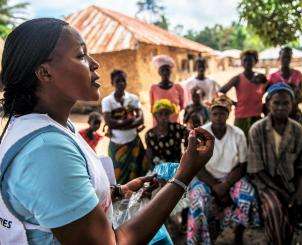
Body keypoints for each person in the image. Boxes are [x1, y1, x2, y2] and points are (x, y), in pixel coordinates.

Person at [0, 18, 215, 245]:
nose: (95, 64)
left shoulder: (55, 127)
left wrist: (118, 192)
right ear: (45, 73)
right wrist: (183, 175)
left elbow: (62, 202)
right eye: (81, 55)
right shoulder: (45, 151)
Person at [247, 83, 302, 245]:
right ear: (268, 104)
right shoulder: (257, 129)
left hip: (295, 183)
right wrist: (284, 194)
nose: (281, 107)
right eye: (276, 103)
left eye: (286, 103)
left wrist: (297, 192)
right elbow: (257, 169)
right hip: (267, 184)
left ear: (292, 105)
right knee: (275, 210)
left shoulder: (297, 129)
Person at [187, 95, 261, 245]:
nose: (219, 117)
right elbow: (195, 165)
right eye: (215, 113)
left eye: (223, 113)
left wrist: (225, 185)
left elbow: (242, 165)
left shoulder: (238, 134)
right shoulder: (200, 134)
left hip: (231, 178)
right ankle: (197, 239)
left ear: (228, 115)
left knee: (248, 196)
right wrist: (215, 186)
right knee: (197, 200)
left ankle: (238, 233)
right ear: (210, 114)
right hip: (206, 178)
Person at [102, 69, 147, 184]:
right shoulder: (107, 101)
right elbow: (109, 122)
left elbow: (141, 119)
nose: (121, 83)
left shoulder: (133, 98)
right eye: (118, 81)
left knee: (137, 172)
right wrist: (129, 122)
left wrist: (119, 124)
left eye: (123, 80)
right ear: (112, 83)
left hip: (134, 143)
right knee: (118, 175)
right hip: (117, 144)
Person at [220, 50, 267, 137]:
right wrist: (233, 103)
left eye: (250, 60)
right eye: (245, 60)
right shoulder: (237, 78)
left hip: (256, 116)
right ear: (241, 62)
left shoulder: (260, 77)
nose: (247, 63)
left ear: (255, 62)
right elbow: (221, 91)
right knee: (240, 143)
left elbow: (268, 89)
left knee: (255, 143)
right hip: (241, 116)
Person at [145, 99, 189, 166]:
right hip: (159, 168)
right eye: (160, 114)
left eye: (166, 114)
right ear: (155, 116)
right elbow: (149, 156)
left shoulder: (177, 128)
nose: (163, 117)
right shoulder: (149, 135)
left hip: (176, 167)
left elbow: (190, 135)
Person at [268, 47, 302, 123]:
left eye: (288, 57)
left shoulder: (298, 75)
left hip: (293, 111)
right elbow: (270, 96)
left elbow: (300, 93)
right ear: (279, 57)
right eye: (284, 57)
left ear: (291, 58)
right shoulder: (273, 76)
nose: (286, 59)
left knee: (297, 132)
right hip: (278, 112)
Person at [150, 55, 184, 125]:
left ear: (171, 71)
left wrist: (172, 113)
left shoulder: (178, 88)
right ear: (159, 72)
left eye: (167, 70)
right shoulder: (153, 88)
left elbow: (182, 106)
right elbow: (152, 109)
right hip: (159, 125)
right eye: (162, 70)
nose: (165, 72)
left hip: (175, 124)